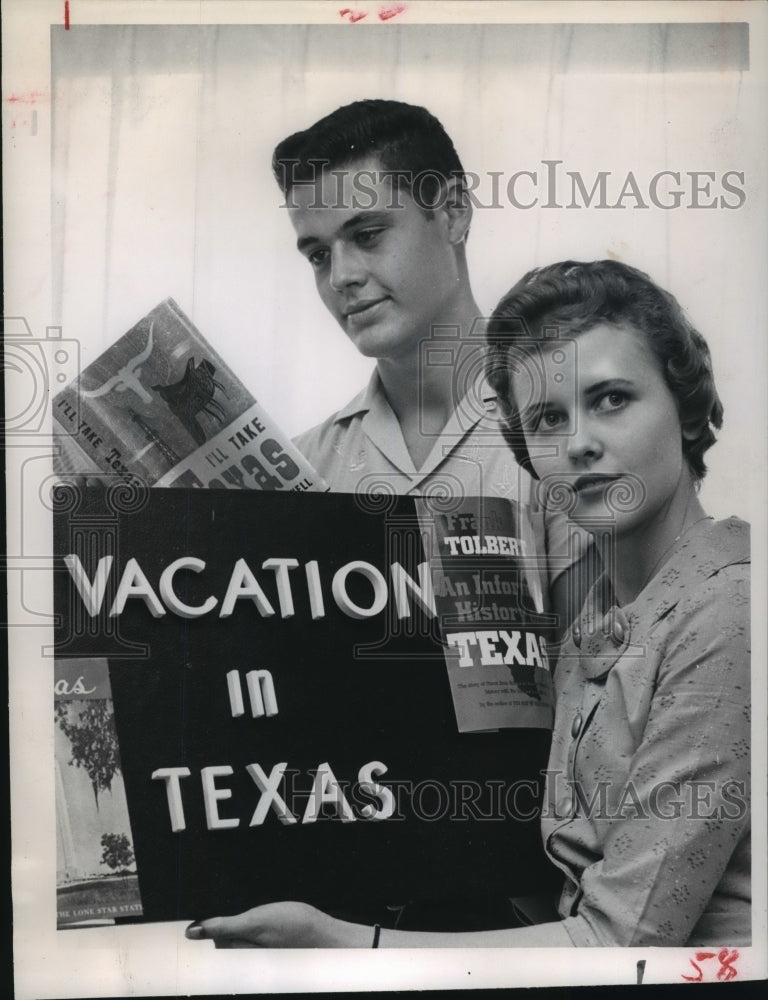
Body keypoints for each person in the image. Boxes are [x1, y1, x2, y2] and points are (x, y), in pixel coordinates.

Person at [185, 260, 750, 947]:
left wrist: (343, 944)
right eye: (547, 418)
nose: (579, 443)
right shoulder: (595, 618)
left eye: (612, 398)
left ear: (687, 411)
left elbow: (621, 941)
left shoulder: (733, 607)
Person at [273, 99, 586, 624]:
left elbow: (602, 684)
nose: (340, 277)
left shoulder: (574, 429)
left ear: (452, 212)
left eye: (367, 235)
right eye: (318, 255)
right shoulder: (304, 469)